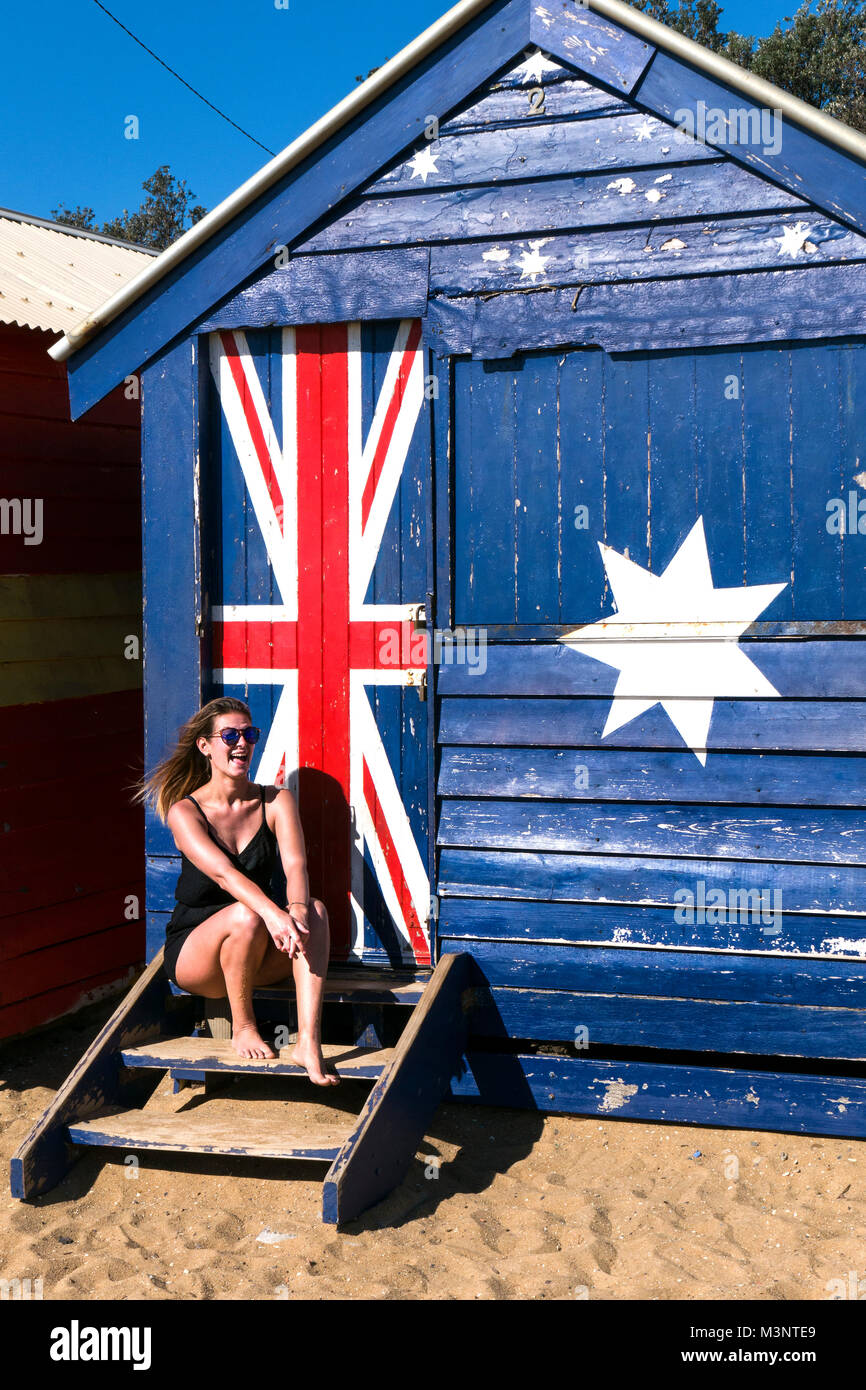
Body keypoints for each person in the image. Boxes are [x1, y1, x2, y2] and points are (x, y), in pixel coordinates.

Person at [136, 696, 339, 1084]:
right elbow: (225, 875)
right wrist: (274, 913)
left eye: (249, 734)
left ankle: (308, 1042)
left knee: (315, 910)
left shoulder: (276, 800)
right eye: (229, 735)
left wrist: (294, 909)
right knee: (246, 913)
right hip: (200, 958)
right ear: (206, 746)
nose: (241, 743)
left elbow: (296, 865)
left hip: (261, 951)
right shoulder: (186, 811)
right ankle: (243, 1026)